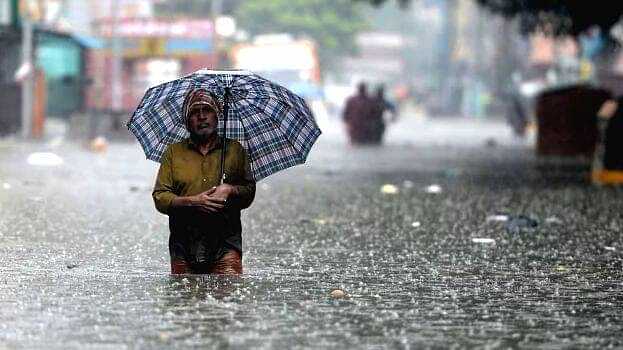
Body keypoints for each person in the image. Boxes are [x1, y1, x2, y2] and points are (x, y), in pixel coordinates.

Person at [152, 89, 256, 275]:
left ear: (217, 116)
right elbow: (160, 197)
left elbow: (248, 192)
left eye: (207, 110)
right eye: (194, 112)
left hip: (225, 243)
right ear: (187, 121)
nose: (201, 117)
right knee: (184, 299)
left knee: (227, 298)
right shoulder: (173, 153)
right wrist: (193, 201)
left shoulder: (234, 150)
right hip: (183, 244)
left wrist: (229, 189)